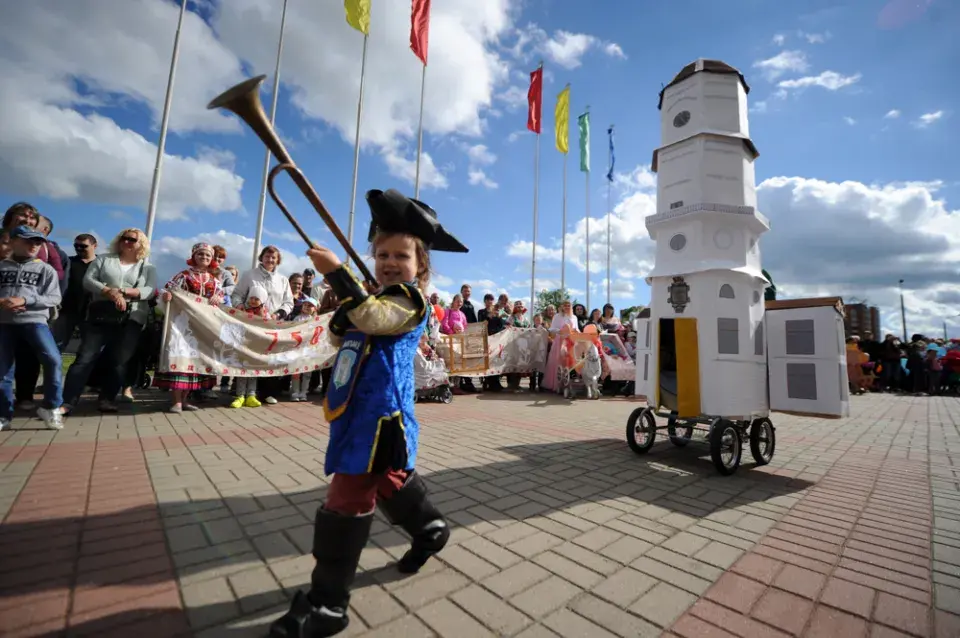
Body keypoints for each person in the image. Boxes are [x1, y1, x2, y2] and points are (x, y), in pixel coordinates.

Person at [270, 189, 468, 637]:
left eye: (402, 255)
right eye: (382, 253)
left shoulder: (409, 301)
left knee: (347, 498)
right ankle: (431, 529)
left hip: (382, 418)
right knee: (389, 480)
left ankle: (327, 604)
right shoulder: (374, 297)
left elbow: (374, 321)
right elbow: (344, 332)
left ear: (421, 266)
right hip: (354, 412)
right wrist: (348, 294)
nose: (390, 261)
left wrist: (340, 275)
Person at [61, 228, 156, 414]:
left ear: (141, 244)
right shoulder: (103, 259)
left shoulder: (147, 267)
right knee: (85, 357)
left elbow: (150, 290)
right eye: (124, 238)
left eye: (132, 239)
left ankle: (107, 398)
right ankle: (67, 401)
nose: (127, 242)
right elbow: (89, 281)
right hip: (101, 314)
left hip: (131, 317)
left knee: (118, 360)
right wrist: (109, 292)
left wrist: (127, 292)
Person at [0, 226, 64, 430]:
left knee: (53, 360)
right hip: (4, 323)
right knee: (3, 371)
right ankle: (3, 415)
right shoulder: (2, 267)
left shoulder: (46, 269)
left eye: (38, 242)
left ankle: (51, 406)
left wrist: (25, 299)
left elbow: (54, 297)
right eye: (28, 240)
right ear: (13, 241)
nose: (34, 245)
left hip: (35, 321)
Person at [156, 243, 224, 413]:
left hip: (201, 326)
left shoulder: (215, 281)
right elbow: (168, 289)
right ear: (194, 256)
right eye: (201, 254)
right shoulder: (184, 275)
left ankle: (185, 400)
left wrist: (218, 297)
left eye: (208, 255)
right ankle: (176, 401)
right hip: (182, 325)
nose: (204, 258)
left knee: (195, 362)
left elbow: (221, 298)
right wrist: (167, 295)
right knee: (181, 360)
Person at [230, 284, 270, 409]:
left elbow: (269, 327)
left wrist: (263, 317)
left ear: (262, 300)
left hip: (256, 347)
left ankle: (251, 395)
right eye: (251, 298)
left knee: (253, 371)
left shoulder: (266, 314)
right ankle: (240, 396)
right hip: (244, 345)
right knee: (242, 371)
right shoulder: (243, 311)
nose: (253, 301)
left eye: (256, 299)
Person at [55, 233, 98, 350]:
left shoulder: (102, 264)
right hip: (67, 309)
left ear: (95, 246)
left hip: (92, 311)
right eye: (76, 246)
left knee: (89, 349)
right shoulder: (69, 262)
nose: (79, 249)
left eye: (83, 246)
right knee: (56, 345)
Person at [290, 295, 320, 402]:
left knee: (307, 372)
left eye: (310, 305)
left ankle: (303, 392)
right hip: (298, 349)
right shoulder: (297, 318)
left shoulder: (316, 320)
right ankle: (295, 392)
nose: (307, 307)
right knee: (296, 372)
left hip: (309, 350)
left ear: (315, 309)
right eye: (305, 304)